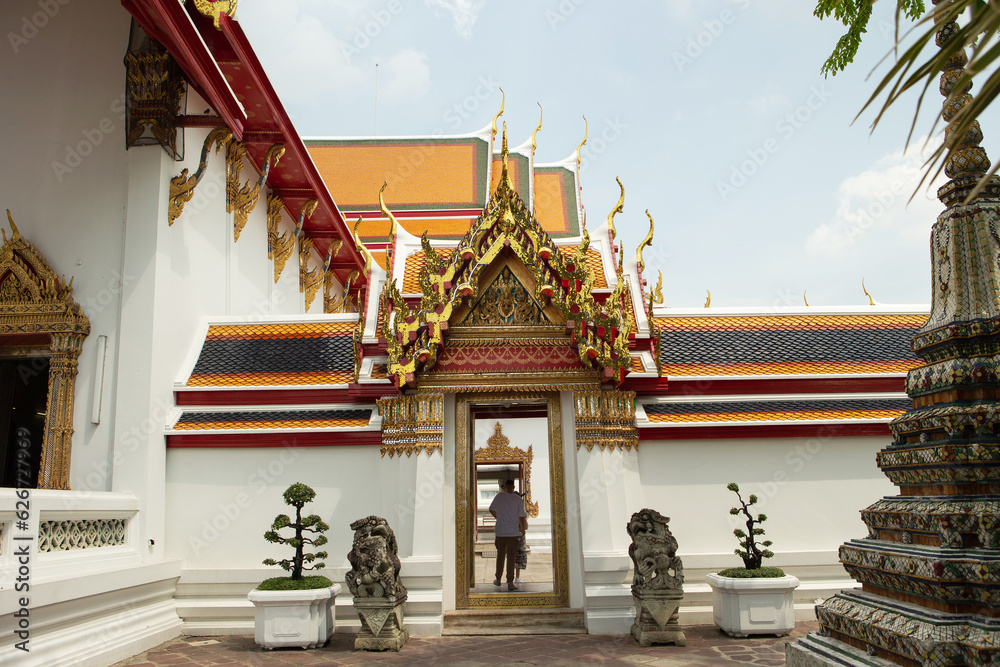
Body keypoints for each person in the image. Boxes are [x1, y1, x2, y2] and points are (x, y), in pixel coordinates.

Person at [489, 478, 527, 591]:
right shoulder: (517, 499)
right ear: (514, 487)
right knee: (511, 557)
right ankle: (510, 582)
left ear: (505, 487)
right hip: (513, 532)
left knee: (500, 556)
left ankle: (498, 579)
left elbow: (491, 509)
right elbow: (521, 516)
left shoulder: (499, 496)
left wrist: (498, 517)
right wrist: (523, 529)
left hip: (501, 531)